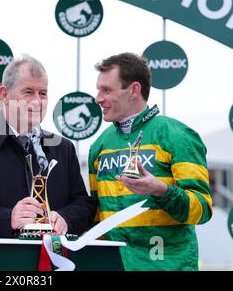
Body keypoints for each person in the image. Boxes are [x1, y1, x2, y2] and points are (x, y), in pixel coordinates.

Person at [0, 54, 96, 238]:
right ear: (4, 95)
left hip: (53, 264)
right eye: (28, 92)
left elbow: (84, 205)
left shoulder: (64, 148)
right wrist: (8, 218)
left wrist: (65, 218)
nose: (37, 101)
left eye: (43, 93)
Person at [89, 52, 213, 270]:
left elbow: (202, 209)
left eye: (106, 90)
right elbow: (97, 215)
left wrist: (163, 191)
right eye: (99, 89)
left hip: (167, 265)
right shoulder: (99, 145)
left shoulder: (177, 136)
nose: (98, 98)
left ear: (134, 90)